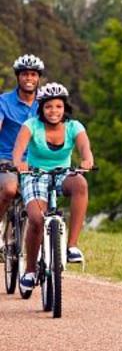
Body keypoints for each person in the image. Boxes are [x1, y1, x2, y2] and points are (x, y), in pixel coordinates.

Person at [15, 82, 94, 295]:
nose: (54, 111)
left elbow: (85, 147)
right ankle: (30, 271)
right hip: (34, 175)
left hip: (62, 174)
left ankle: (72, 247)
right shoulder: (31, 125)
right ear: (41, 108)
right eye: (49, 107)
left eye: (58, 106)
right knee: (37, 219)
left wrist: (87, 160)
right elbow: (19, 149)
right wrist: (19, 163)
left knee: (80, 183)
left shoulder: (74, 126)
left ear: (64, 108)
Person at [0, 55, 44, 220]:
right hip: (6, 159)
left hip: (36, 162)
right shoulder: (3, 102)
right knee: (10, 189)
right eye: (24, 74)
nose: (29, 78)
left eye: (33, 74)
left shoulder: (45, 104)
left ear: (38, 77)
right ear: (18, 76)